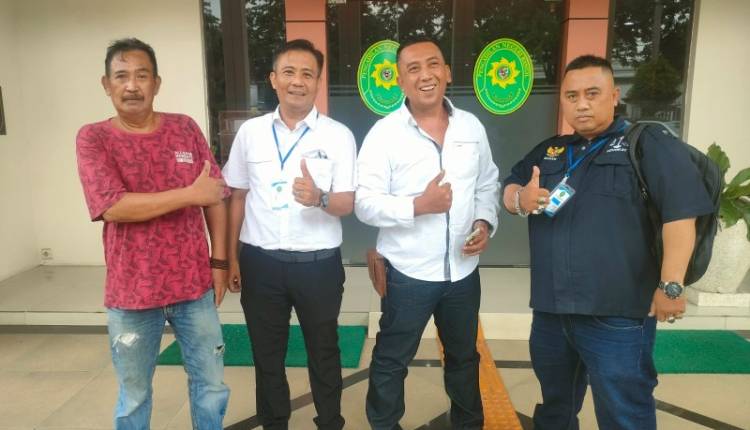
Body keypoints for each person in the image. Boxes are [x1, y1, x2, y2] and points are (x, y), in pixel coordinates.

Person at [502, 55, 714, 430]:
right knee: (555, 406)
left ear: (614, 96)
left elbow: (681, 216)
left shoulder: (648, 144)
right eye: (571, 96)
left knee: (623, 410)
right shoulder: (551, 151)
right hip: (552, 311)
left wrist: (672, 285)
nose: (581, 104)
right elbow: (510, 186)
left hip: (617, 316)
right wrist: (520, 197)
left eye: (592, 93)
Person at [75, 38, 230, 429]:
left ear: (156, 83)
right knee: (134, 395)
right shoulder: (94, 138)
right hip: (132, 293)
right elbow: (113, 206)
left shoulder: (184, 128)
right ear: (106, 84)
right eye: (121, 76)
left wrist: (219, 261)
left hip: (193, 287)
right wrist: (189, 194)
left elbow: (214, 197)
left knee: (211, 384)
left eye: (142, 76)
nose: (132, 86)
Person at [355, 37, 500, 430]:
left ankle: (468, 425)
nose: (425, 75)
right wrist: (418, 205)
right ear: (400, 80)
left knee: (465, 359)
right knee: (391, 360)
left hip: (463, 273)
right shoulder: (384, 134)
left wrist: (484, 222)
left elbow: (488, 183)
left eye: (433, 64)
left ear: (447, 72)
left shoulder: (471, 126)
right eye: (413, 68)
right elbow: (364, 203)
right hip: (408, 274)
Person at [222, 39, 356, 430]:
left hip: (319, 266)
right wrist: (230, 258)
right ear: (273, 79)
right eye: (289, 72)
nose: (298, 81)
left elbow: (347, 203)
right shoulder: (251, 133)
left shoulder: (338, 136)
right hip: (260, 263)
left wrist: (319, 198)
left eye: (307, 74)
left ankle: (330, 422)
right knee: (267, 356)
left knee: (325, 352)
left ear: (318, 81)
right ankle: (274, 423)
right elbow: (237, 196)